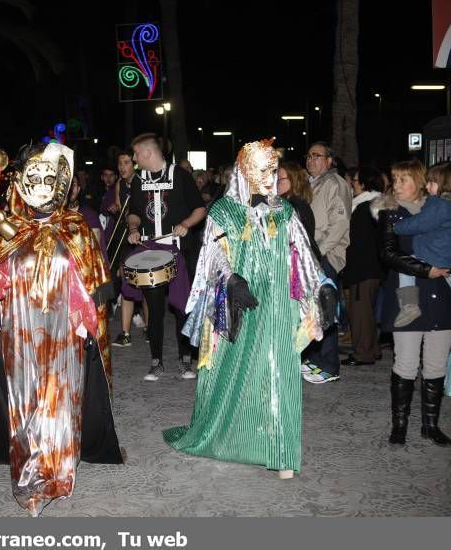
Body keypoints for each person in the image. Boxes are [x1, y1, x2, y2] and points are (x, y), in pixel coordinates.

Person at [0, 142, 123, 515]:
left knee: (59, 404)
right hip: (20, 333)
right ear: (19, 183)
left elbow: (92, 283)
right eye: (31, 179)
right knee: (25, 404)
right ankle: (30, 474)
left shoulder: (76, 227)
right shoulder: (9, 229)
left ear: (61, 184)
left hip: (64, 336)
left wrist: (87, 318)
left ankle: (57, 473)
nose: (40, 186)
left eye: (48, 179)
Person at [163, 137, 324, 478]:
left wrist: (321, 287)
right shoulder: (224, 211)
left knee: (279, 372)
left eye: (273, 169)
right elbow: (213, 254)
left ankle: (282, 452)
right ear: (244, 172)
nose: (268, 175)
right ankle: (234, 435)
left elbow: (303, 256)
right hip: (237, 304)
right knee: (235, 373)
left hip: (279, 304)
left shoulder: (286, 212)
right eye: (261, 169)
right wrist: (231, 280)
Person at [371, 159, 451, 446]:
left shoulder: (441, 211)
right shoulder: (391, 214)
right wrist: (426, 270)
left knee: (435, 365)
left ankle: (430, 425)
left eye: (403, 180)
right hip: (407, 298)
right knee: (406, 363)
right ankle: (400, 425)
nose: (396, 186)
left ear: (420, 182)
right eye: (394, 180)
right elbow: (387, 253)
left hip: (440, 297)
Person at [126, 133, 207, 381]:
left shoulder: (180, 176)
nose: (134, 159)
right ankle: (156, 361)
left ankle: (185, 359)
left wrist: (186, 224)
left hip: (179, 249)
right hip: (150, 250)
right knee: (155, 306)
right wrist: (133, 229)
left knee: (182, 305)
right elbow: (134, 213)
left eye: (136, 154)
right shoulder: (139, 180)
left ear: (148, 153)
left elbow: (200, 208)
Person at [393, 161, 451, 342]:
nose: (427, 186)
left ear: (444, 185)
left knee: (408, 265)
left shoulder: (439, 204)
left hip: (439, 250)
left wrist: (398, 227)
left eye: (431, 183)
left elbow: (420, 223)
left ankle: (410, 305)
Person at [303, 142, 352, 384]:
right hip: (311, 255)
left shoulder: (335, 184)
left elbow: (339, 225)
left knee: (326, 309)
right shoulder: (311, 183)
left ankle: (330, 365)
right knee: (313, 309)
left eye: (317, 156)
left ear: (329, 161)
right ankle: (315, 358)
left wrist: (319, 252)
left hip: (326, 256)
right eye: (309, 156)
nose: (311, 160)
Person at [341, 166, 383, 366]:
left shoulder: (363, 209)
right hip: (373, 269)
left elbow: (356, 243)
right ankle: (372, 349)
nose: (352, 185)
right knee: (367, 312)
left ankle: (362, 353)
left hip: (362, 269)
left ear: (365, 184)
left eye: (355, 182)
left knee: (360, 313)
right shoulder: (377, 205)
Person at [111, 149, 149, 347]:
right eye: (120, 163)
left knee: (145, 285)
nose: (122, 167)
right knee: (127, 283)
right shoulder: (119, 184)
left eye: (126, 162)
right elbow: (122, 211)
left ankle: (150, 329)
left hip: (143, 238)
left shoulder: (142, 182)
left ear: (133, 164)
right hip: (127, 239)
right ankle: (125, 334)